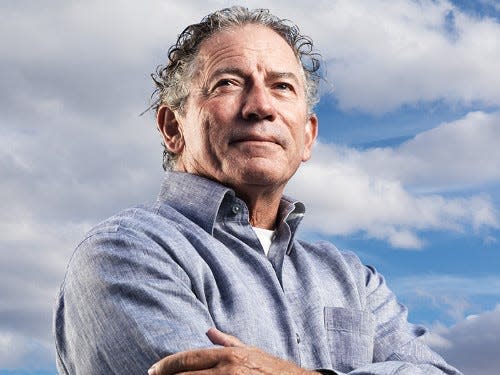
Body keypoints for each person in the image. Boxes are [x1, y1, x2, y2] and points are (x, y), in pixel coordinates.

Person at [53, 6, 462, 375]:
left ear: (307, 136)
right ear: (173, 128)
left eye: (282, 86)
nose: (260, 106)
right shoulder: (124, 253)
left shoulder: (354, 279)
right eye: (228, 83)